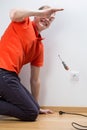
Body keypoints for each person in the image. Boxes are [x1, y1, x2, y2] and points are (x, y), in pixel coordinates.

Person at [0, 5, 64, 121]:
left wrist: (37, 105)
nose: (47, 19)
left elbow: (35, 80)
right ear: (37, 15)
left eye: (51, 19)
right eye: (45, 15)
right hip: (3, 72)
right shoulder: (23, 22)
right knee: (31, 113)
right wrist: (42, 12)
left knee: (35, 108)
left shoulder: (39, 47)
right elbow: (13, 13)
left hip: (11, 77)